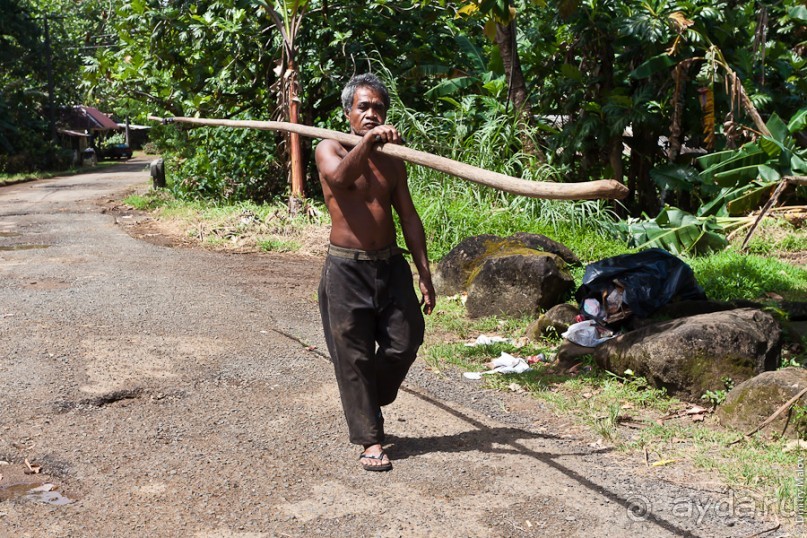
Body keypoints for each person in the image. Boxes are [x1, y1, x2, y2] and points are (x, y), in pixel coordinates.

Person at [315, 73, 436, 472]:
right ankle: (371, 440)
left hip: (389, 266)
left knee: (406, 339)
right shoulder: (328, 148)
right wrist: (367, 143)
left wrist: (424, 270)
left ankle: (369, 395)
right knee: (353, 357)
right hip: (346, 269)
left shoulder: (393, 161)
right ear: (348, 112)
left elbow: (409, 215)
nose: (371, 113)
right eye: (363, 107)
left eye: (378, 107)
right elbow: (340, 178)